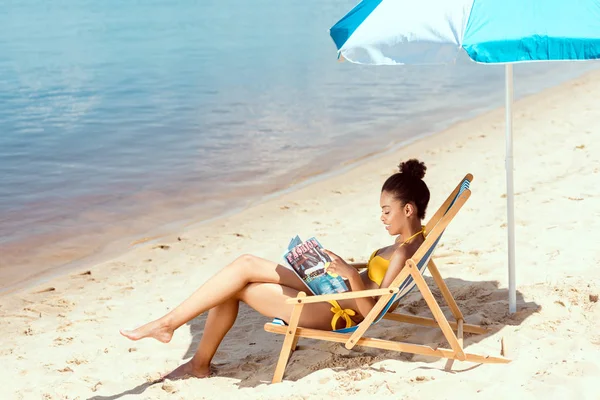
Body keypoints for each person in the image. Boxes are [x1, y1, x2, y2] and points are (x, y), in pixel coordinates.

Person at [120, 158, 431, 380]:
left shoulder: (404, 251)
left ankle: (176, 337)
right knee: (244, 265)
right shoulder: (417, 241)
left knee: (239, 279)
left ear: (408, 209)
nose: (382, 217)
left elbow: (372, 312)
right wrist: (338, 270)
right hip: (331, 292)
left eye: (386, 211)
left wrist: (350, 274)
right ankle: (175, 334)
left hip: (336, 311)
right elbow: (376, 289)